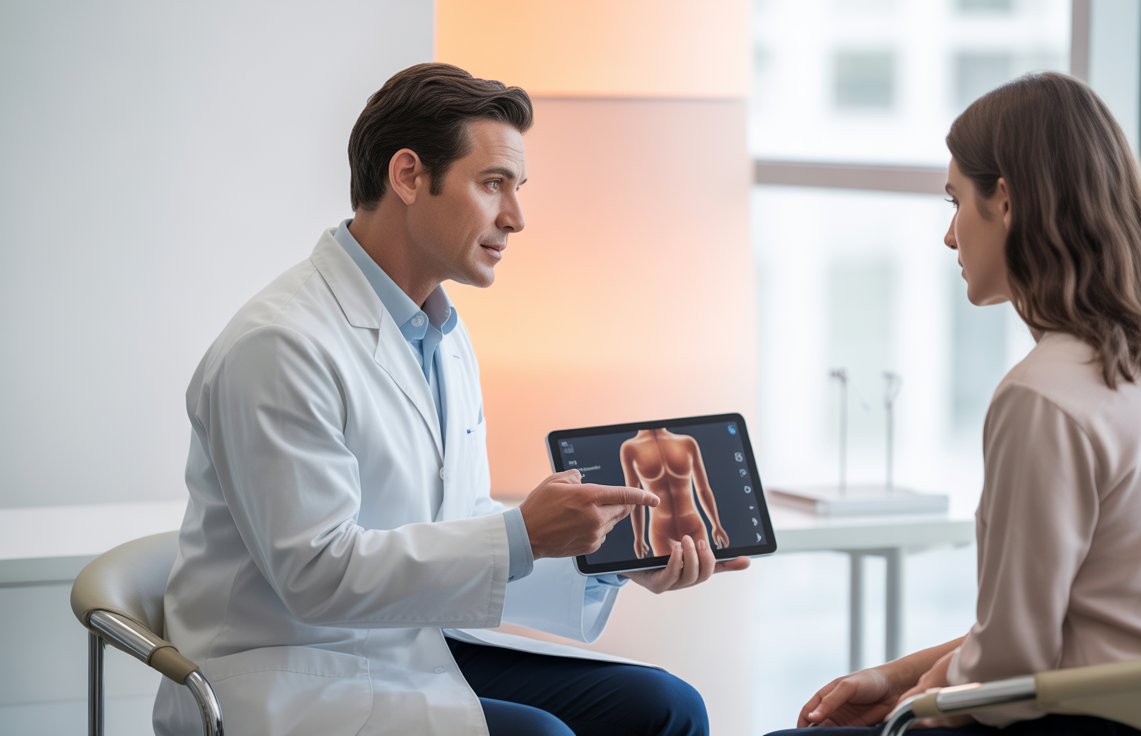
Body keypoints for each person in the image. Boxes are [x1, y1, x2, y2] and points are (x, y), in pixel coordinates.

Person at [153, 62, 748, 736]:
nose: (516, 218)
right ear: (408, 176)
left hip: (410, 645)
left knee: (667, 708)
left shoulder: (439, 333)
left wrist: (608, 561)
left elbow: (456, 523)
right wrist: (524, 533)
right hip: (296, 672)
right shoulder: (279, 346)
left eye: (517, 189)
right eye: (493, 184)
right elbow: (316, 575)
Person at [767, 72, 1141, 736]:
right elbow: (1065, 628)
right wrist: (902, 678)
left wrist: (916, 705)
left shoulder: (1041, 395)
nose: (949, 236)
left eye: (956, 201)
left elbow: (1011, 671)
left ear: (1006, 202)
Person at [621, 428, 731, 558]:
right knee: (671, 571)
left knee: (705, 567)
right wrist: (638, 537)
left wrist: (716, 524)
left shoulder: (687, 442)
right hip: (661, 533)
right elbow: (636, 498)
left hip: (693, 526)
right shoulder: (630, 448)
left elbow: (703, 489)